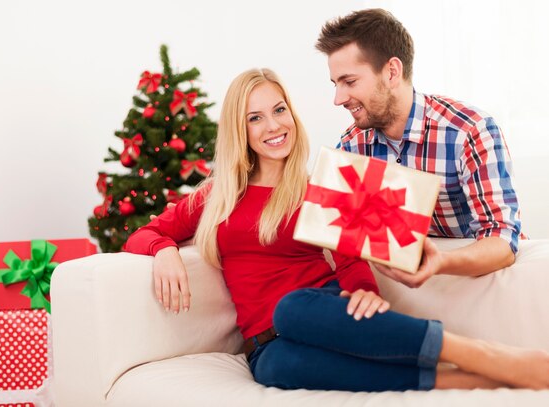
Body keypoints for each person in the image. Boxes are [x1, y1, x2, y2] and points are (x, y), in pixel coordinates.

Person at [124, 68, 549, 392]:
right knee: (274, 370)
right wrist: (164, 250)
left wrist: (365, 290)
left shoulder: (318, 188)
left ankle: (484, 355)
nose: (273, 126)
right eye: (255, 118)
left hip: (317, 309)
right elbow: (141, 235)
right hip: (267, 344)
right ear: (241, 130)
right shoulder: (215, 196)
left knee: (290, 309)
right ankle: (471, 382)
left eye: (279, 110)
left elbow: (351, 257)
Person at [315, 9, 523, 288]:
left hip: (483, 282)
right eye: (335, 83)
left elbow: (502, 239)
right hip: (411, 291)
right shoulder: (352, 145)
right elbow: (348, 238)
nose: (338, 99)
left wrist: (440, 262)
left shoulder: (469, 131)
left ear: (391, 72)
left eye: (349, 82)